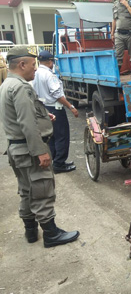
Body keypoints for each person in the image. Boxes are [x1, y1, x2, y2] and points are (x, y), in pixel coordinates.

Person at [0, 46, 79, 247]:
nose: (35, 70)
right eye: (33, 65)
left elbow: (22, 117)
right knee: (42, 189)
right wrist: (41, 151)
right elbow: (26, 123)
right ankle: (51, 234)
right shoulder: (21, 87)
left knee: (26, 190)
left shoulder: (6, 84)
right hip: (28, 150)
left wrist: (45, 116)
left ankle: (31, 231)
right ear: (22, 64)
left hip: (16, 149)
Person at [33, 51, 78, 173]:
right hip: (55, 108)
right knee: (62, 136)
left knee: (51, 136)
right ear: (49, 61)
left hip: (44, 108)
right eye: (52, 61)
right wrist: (71, 106)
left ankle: (55, 160)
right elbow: (57, 94)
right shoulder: (49, 75)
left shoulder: (36, 73)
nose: (52, 63)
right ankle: (59, 163)